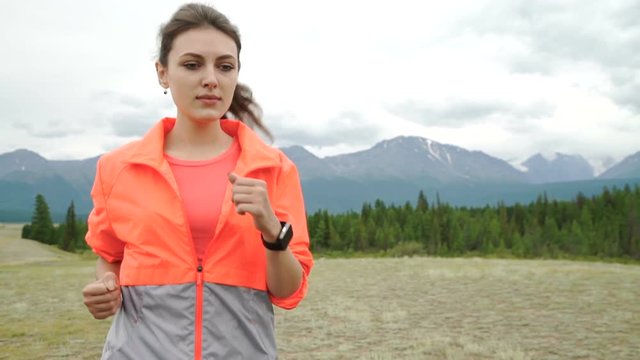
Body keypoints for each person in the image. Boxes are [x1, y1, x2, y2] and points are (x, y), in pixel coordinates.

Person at [81, 3, 313, 359]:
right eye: (192, 65)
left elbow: (287, 292)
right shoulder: (118, 169)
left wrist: (272, 231)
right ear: (163, 73)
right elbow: (110, 257)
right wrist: (107, 286)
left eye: (225, 66)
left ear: (236, 74)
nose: (211, 78)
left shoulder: (274, 169)